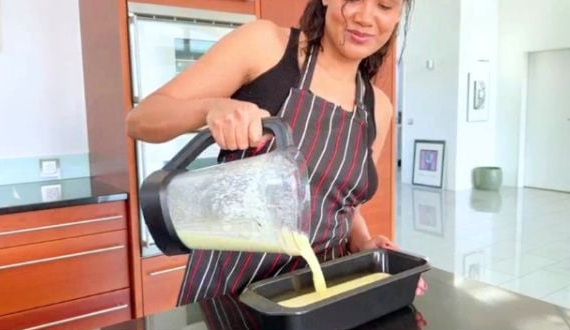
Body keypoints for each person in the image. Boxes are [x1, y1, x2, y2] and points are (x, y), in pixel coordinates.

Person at [126, 0, 415, 304]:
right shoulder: (266, 47)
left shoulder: (377, 108)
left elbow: (343, 203)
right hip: (232, 291)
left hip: (324, 294)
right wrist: (211, 108)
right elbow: (140, 120)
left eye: (384, 5)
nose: (365, 17)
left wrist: (364, 244)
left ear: (398, 15)